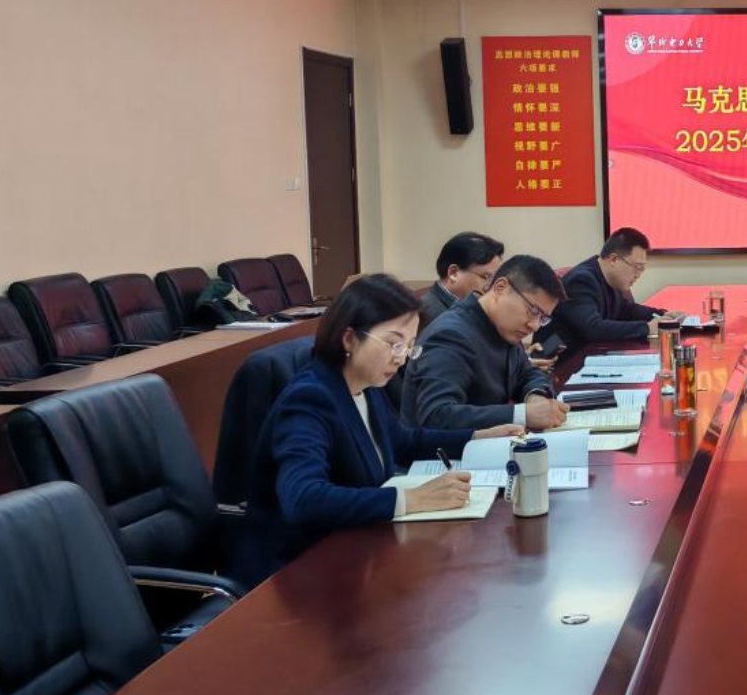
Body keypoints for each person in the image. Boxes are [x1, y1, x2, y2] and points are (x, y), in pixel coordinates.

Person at [243, 275, 523, 580]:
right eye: (393, 343)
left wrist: (477, 437)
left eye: (409, 347)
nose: (401, 358)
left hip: (359, 549)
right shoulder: (309, 399)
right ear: (349, 338)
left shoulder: (365, 385)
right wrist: (412, 499)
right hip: (303, 570)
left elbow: (403, 441)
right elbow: (303, 498)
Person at [401, 254, 571, 431]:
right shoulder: (450, 335)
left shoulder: (502, 326)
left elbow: (527, 373)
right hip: (446, 448)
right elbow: (436, 416)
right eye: (533, 311)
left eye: (543, 318)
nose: (534, 326)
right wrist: (522, 415)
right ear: (501, 287)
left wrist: (535, 397)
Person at [546, 226, 682, 349]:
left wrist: (662, 315)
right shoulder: (581, 280)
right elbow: (593, 328)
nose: (638, 275)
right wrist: (647, 328)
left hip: (588, 353)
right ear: (613, 260)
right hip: (560, 359)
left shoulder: (608, 279)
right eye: (637, 267)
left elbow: (627, 310)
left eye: (642, 269)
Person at [420, 231, 504, 329]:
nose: (490, 287)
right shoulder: (429, 315)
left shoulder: (471, 308)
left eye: (494, 279)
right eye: (486, 277)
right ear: (453, 273)